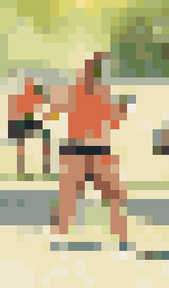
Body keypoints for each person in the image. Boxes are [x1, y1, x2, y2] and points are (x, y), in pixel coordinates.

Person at [47, 53, 132, 245]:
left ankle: (121, 238)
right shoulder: (98, 93)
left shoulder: (82, 91)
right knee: (109, 196)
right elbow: (115, 119)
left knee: (72, 198)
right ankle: (121, 238)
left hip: (85, 150)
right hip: (89, 150)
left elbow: (55, 106)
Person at [8, 75, 53, 178]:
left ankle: (22, 168)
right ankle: (45, 166)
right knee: (45, 136)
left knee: (23, 144)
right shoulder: (29, 97)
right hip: (20, 124)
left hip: (18, 124)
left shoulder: (17, 97)